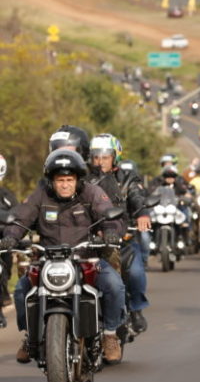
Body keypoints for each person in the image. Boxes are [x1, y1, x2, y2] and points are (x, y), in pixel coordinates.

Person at [3, 150, 126, 364]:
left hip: (86, 258)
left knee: (115, 285)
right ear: (51, 181)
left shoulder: (92, 193)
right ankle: (30, 336)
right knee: (23, 290)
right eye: (60, 180)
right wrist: (11, 237)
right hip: (48, 260)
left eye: (69, 179)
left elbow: (108, 214)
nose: (65, 184)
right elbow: (21, 219)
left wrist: (111, 232)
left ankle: (110, 335)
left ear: (77, 180)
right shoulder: (41, 195)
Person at [86, 134, 152, 334]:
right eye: (96, 156)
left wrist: (141, 213)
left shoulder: (128, 178)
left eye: (105, 156)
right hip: (88, 241)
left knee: (135, 272)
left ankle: (135, 310)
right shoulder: (83, 179)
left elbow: (136, 196)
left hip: (121, 240)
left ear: (115, 157)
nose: (100, 161)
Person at [0, 154, 17, 327]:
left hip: (3, 242)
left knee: (3, 268)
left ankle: (3, 295)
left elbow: (20, 217)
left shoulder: (7, 196)